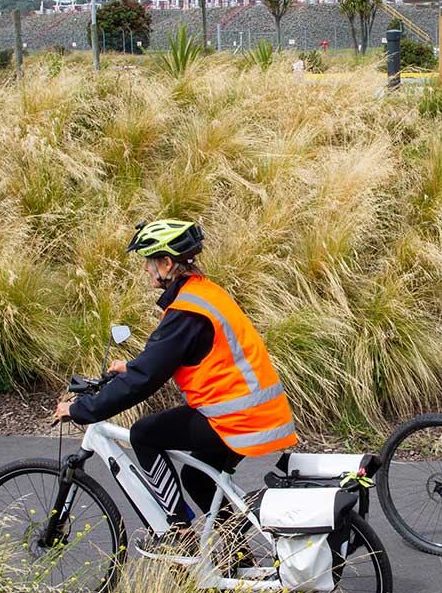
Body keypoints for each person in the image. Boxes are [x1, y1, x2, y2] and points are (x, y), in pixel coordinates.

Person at [56, 219, 299, 541]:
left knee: (144, 433)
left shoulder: (186, 310)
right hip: (261, 414)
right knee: (198, 479)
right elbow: (177, 358)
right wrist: (132, 368)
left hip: (237, 419)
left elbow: (147, 379)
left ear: (167, 263)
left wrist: (81, 410)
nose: (146, 269)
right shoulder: (204, 293)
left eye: (149, 260)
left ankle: (178, 531)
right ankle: (235, 554)